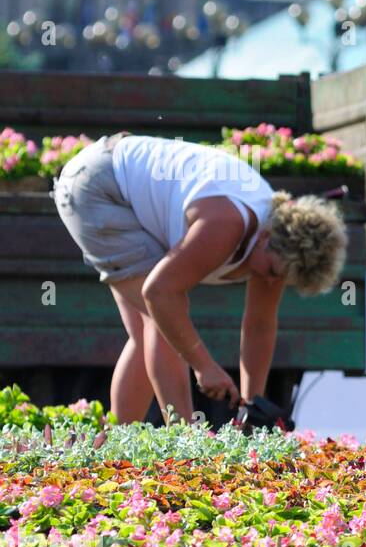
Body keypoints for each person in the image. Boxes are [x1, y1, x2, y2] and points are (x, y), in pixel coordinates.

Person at [53, 133, 347, 425]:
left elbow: (259, 325)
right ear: (268, 236)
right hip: (97, 186)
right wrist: (203, 366)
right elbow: (158, 293)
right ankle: (186, 446)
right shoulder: (226, 222)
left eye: (282, 279)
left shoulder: (274, 243)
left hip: (110, 180)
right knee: (163, 317)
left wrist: (252, 405)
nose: (271, 282)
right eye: (273, 272)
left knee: (148, 335)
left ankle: (114, 451)